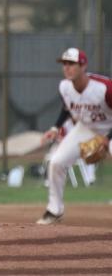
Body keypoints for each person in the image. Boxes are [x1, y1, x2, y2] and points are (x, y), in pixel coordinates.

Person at [37, 47, 112, 225]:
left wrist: (107, 137)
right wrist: (56, 127)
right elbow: (67, 108)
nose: (67, 67)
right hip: (86, 128)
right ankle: (54, 210)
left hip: (110, 127)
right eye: (64, 64)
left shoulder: (104, 88)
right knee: (56, 162)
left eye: (71, 63)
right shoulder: (65, 87)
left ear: (83, 66)